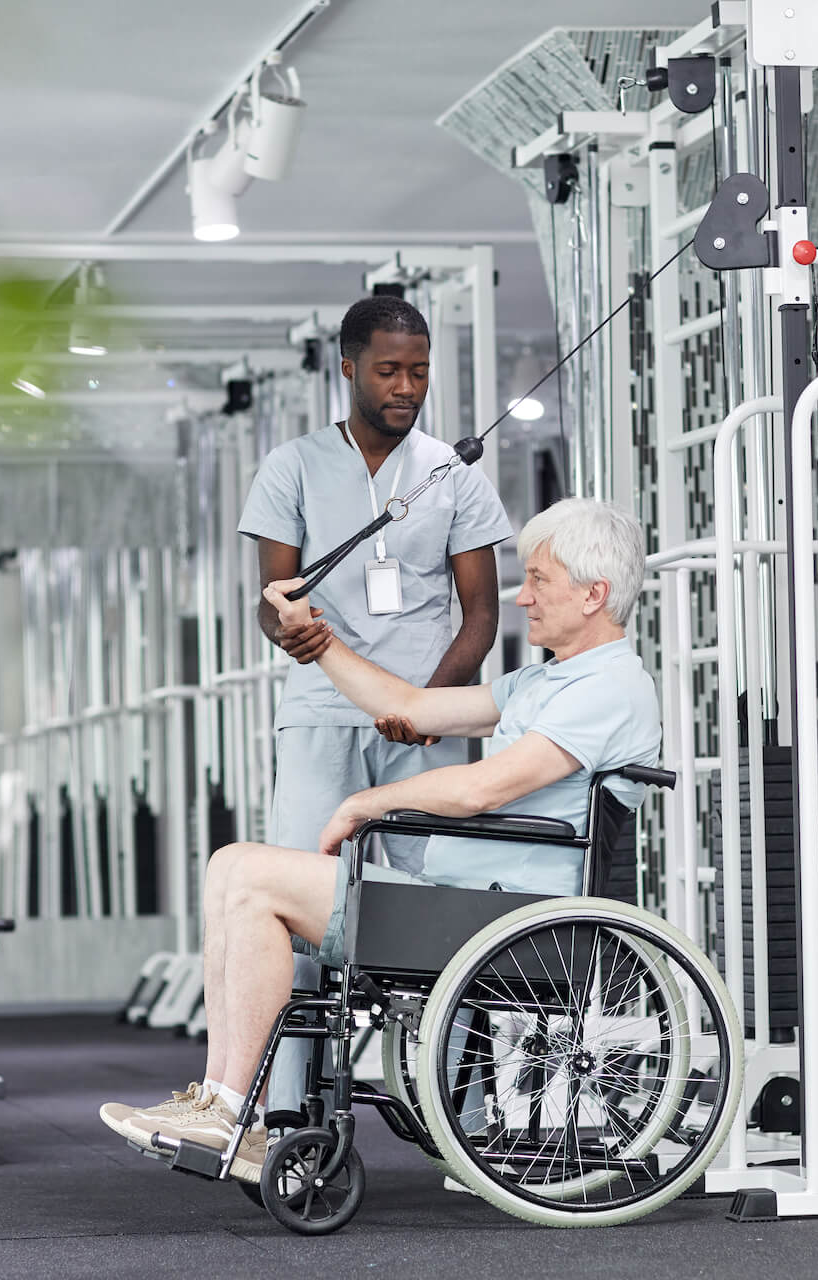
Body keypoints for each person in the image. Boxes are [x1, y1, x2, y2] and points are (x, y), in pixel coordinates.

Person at [99, 499, 662, 1182]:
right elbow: (417, 708)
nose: (522, 596)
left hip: (502, 918)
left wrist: (368, 801)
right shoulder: (547, 680)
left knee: (249, 879)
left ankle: (228, 1110)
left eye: (539, 580)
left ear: (593, 593)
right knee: (231, 868)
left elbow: (485, 789)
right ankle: (220, 1105)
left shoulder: (609, 688)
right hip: (464, 902)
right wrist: (320, 639)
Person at [238, 293, 513, 1115]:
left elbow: (483, 615)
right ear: (349, 367)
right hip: (321, 716)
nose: (406, 386)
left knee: (446, 914)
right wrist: (284, 622)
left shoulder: (453, 472)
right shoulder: (291, 467)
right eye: (389, 370)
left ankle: (463, 1114)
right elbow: (270, 599)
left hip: (423, 729)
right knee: (298, 906)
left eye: (419, 372)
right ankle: (290, 1109)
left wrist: (427, 708)